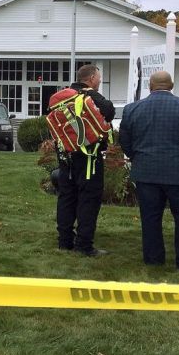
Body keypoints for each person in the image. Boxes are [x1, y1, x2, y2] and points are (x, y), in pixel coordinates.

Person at [120, 71, 179, 271]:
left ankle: (153, 259)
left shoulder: (132, 109)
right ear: (171, 86)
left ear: (150, 86)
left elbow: (125, 142)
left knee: (150, 218)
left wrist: (138, 158)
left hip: (146, 172)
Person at [55, 64, 115, 256]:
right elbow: (109, 111)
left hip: (65, 155)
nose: (99, 80)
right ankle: (84, 245)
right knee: (88, 200)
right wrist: (92, 94)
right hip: (89, 157)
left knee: (66, 197)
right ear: (90, 79)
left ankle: (64, 241)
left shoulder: (63, 96)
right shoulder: (90, 96)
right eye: (98, 77)